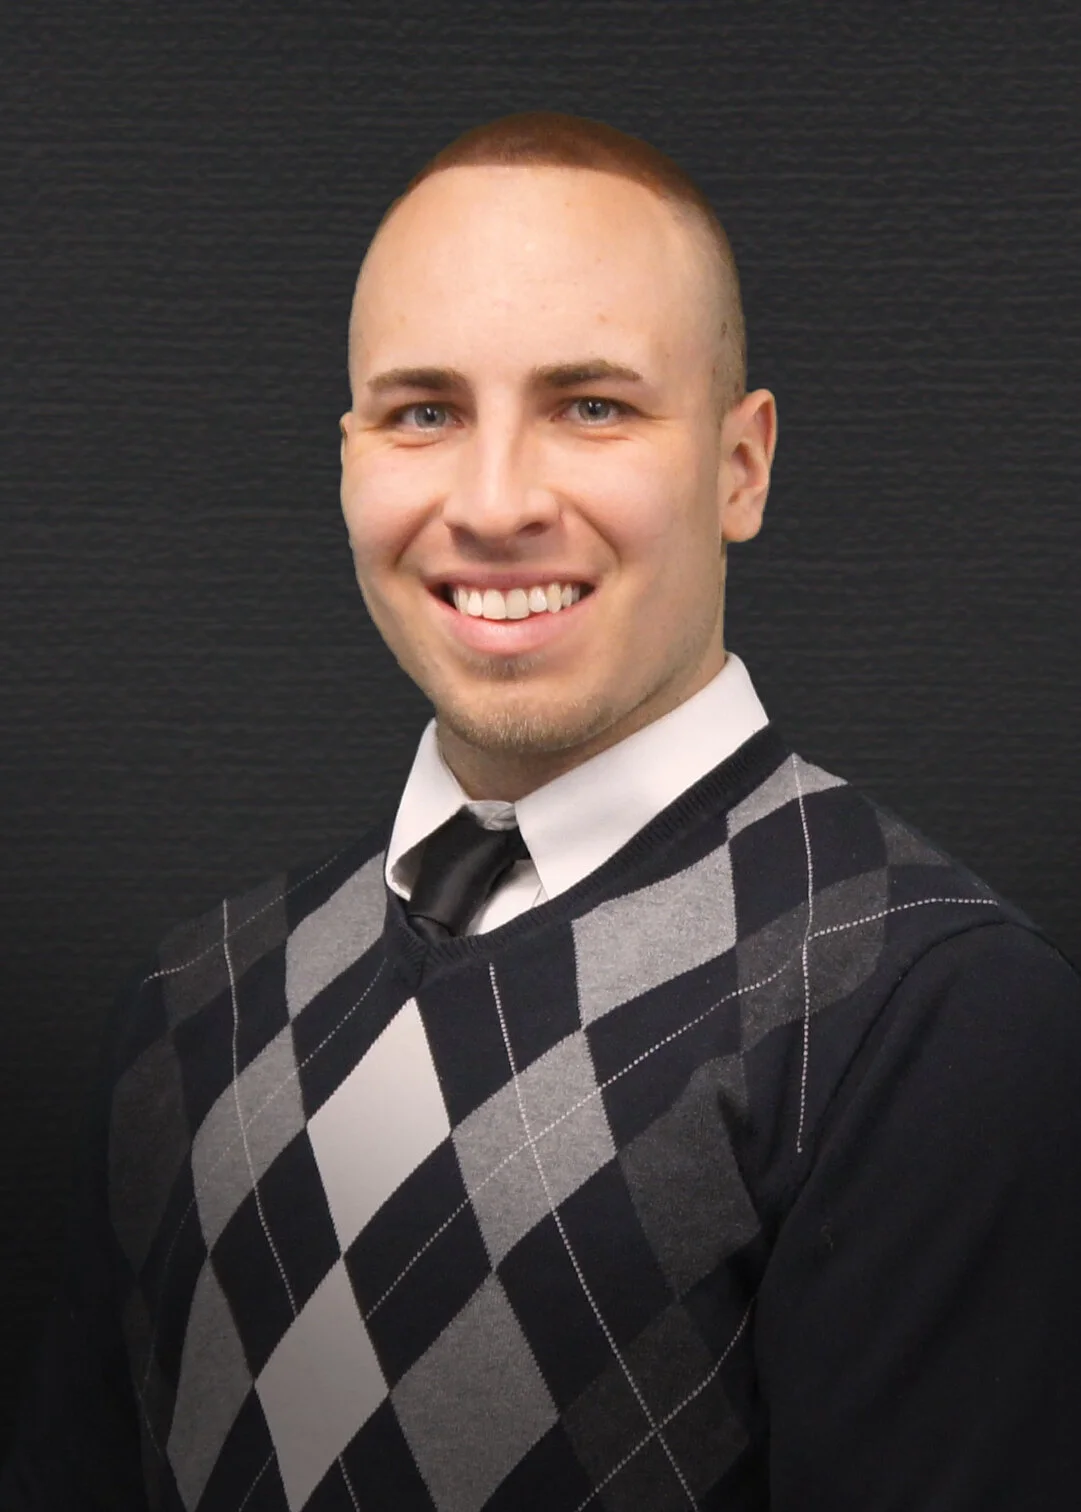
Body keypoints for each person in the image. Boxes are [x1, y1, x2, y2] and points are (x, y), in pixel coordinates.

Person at [4, 109, 1080, 1512]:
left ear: (741, 467)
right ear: (348, 459)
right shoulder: (186, 1005)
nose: (496, 502)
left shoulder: (935, 1014)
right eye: (424, 412)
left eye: (592, 406)